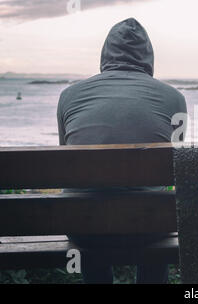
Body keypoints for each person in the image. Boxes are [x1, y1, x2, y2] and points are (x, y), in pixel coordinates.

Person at [57, 18, 187, 283]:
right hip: (148, 227)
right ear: (149, 56)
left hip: (84, 226)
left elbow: (66, 165)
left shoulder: (69, 96)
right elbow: (174, 171)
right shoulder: (174, 98)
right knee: (157, 216)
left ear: (105, 53)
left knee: (85, 208)